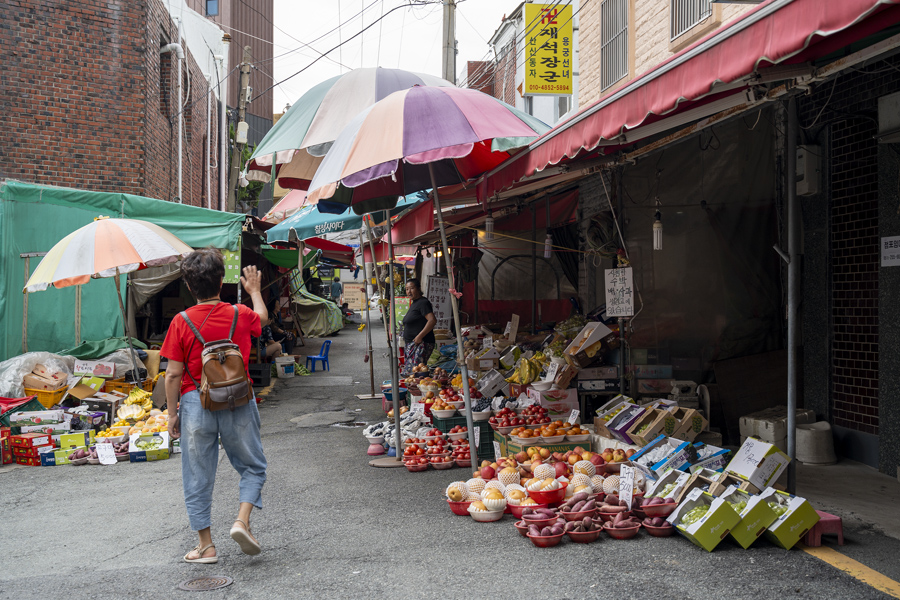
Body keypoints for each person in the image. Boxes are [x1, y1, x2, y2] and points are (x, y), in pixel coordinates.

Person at [162, 249, 268, 564]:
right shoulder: (239, 313)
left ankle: (206, 547)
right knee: (253, 466)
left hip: (195, 403)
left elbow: (172, 375)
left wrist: (172, 414)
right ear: (221, 280)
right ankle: (242, 520)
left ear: (189, 286)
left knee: (197, 475)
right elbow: (262, 318)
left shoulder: (180, 322)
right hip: (237, 399)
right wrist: (254, 291)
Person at [401, 278, 436, 376]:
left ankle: (417, 391)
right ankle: (414, 390)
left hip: (421, 344)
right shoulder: (415, 303)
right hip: (413, 344)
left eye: (411, 288)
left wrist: (419, 337)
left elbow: (432, 320)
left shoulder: (423, 303)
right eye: (407, 289)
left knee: (416, 374)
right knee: (412, 374)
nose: (409, 291)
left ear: (418, 289)